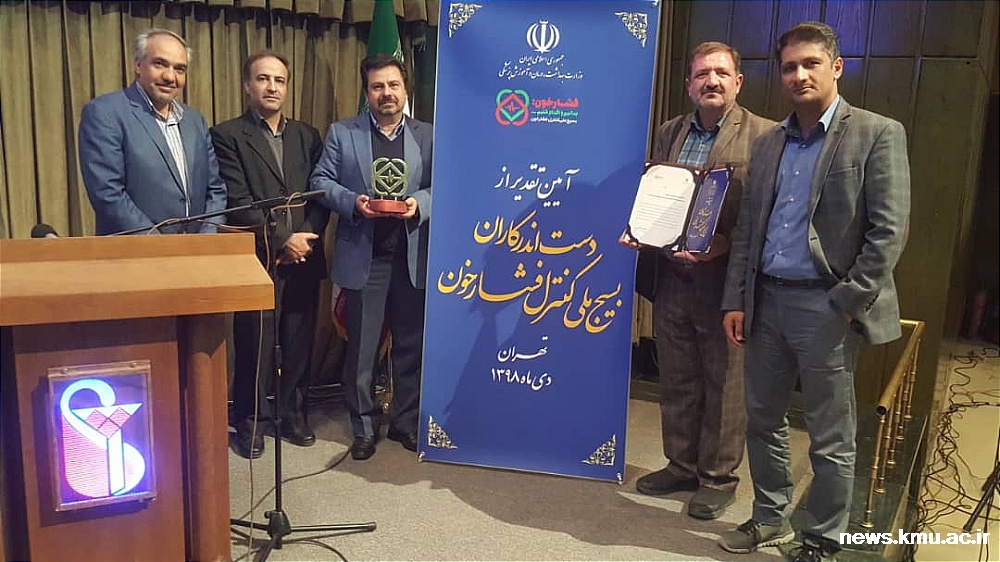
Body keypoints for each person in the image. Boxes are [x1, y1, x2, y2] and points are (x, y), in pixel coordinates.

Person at [718, 22, 910, 562]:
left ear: (836, 67)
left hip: (826, 306)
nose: (799, 75)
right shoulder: (768, 143)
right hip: (766, 302)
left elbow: (889, 232)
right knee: (763, 420)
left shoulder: (876, 132)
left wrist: (848, 303)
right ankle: (769, 518)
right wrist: (736, 298)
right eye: (789, 67)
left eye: (810, 64)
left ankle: (823, 537)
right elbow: (749, 230)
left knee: (830, 435)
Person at [622, 41, 774, 520]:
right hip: (672, 276)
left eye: (721, 73)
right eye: (702, 74)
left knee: (725, 383)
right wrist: (640, 230)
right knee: (678, 376)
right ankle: (681, 465)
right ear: (689, 85)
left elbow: (765, 213)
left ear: (738, 82)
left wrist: (724, 245)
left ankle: (717, 478)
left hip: (725, 283)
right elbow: (657, 193)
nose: (712, 81)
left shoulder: (764, 136)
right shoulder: (670, 131)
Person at [310, 54, 432, 461]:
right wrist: (353, 202)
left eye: (393, 85)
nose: (386, 93)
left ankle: (405, 422)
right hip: (366, 258)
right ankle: (363, 427)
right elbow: (320, 181)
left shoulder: (428, 136)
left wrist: (419, 203)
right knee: (362, 350)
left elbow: (446, 185)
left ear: (405, 90)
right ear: (367, 92)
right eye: (378, 87)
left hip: (411, 258)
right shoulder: (342, 133)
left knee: (410, 347)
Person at [210, 51, 328, 459]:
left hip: (305, 257)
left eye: (279, 80)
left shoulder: (308, 135)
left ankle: (291, 414)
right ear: (248, 86)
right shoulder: (227, 135)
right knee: (255, 343)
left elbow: (321, 192)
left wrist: (305, 239)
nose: (272, 87)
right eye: (263, 79)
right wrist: (283, 240)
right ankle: (251, 419)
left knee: (298, 341)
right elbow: (236, 201)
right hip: (258, 258)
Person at [79, 29, 226, 235]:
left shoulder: (195, 121)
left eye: (180, 69)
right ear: (138, 65)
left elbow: (216, 189)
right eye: (160, 64)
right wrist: (158, 244)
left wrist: (206, 238)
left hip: (196, 249)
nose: (170, 76)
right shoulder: (104, 112)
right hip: (135, 250)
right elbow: (108, 193)